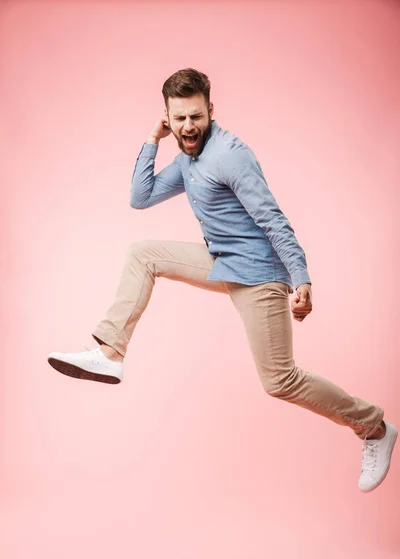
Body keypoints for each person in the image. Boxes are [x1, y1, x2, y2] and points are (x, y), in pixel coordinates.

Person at [48, 67, 397, 493]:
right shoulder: (186, 158)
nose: (188, 126)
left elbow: (273, 218)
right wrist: (152, 140)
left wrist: (301, 278)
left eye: (195, 116)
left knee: (280, 381)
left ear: (211, 110)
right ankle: (109, 351)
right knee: (143, 254)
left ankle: (374, 427)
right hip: (221, 261)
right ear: (167, 117)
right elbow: (140, 198)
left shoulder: (230, 154)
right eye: (179, 119)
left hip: (258, 276)